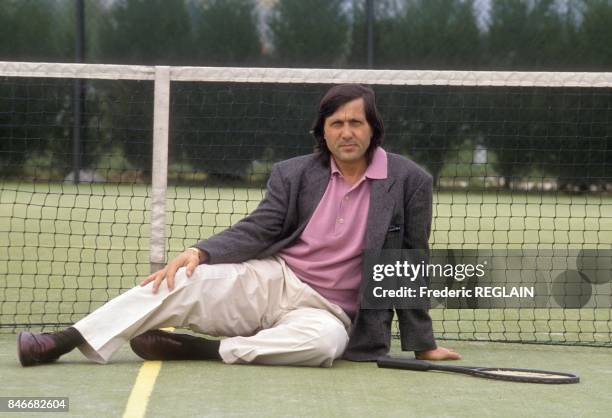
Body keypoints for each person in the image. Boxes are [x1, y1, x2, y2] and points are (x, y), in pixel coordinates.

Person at [18, 84, 460, 367]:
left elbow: (409, 263)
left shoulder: (409, 181)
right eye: (337, 123)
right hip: (274, 278)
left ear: (373, 129)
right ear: (322, 132)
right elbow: (260, 227)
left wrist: (422, 343)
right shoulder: (294, 173)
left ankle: (200, 350)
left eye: (356, 123)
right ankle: (63, 339)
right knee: (180, 280)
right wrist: (201, 252)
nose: (347, 132)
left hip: (327, 311)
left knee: (324, 347)